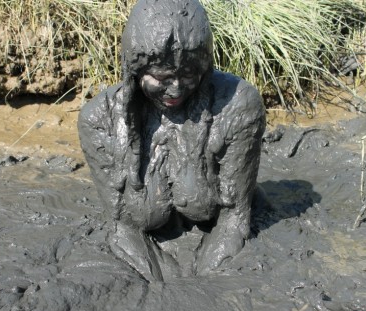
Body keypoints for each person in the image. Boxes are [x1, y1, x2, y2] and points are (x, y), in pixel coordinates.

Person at [78, 0, 266, 280]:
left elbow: (234, 221)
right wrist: (163, 284)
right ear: (135, 69)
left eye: (189, 74)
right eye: (161, 76)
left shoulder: (238, 105)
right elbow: (123, 227)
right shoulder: (99, 119)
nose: (176, 88)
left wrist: (205, 285)